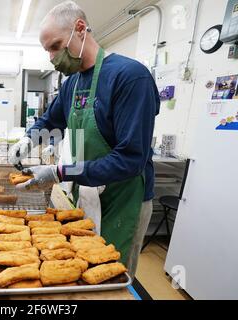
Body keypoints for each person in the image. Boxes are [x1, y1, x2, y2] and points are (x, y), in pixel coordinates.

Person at [9, 1, 160, 278]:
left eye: (55, 46)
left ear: (80, 29)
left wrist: (59, 172)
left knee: (112, 275)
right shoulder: (73, 83)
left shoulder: (129, 77)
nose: (53, 57)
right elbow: (49, 120)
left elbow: (130, 159)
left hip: (123, 198)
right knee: (83, 268)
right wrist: (27, 140)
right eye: (48, 51)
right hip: (87, 190)